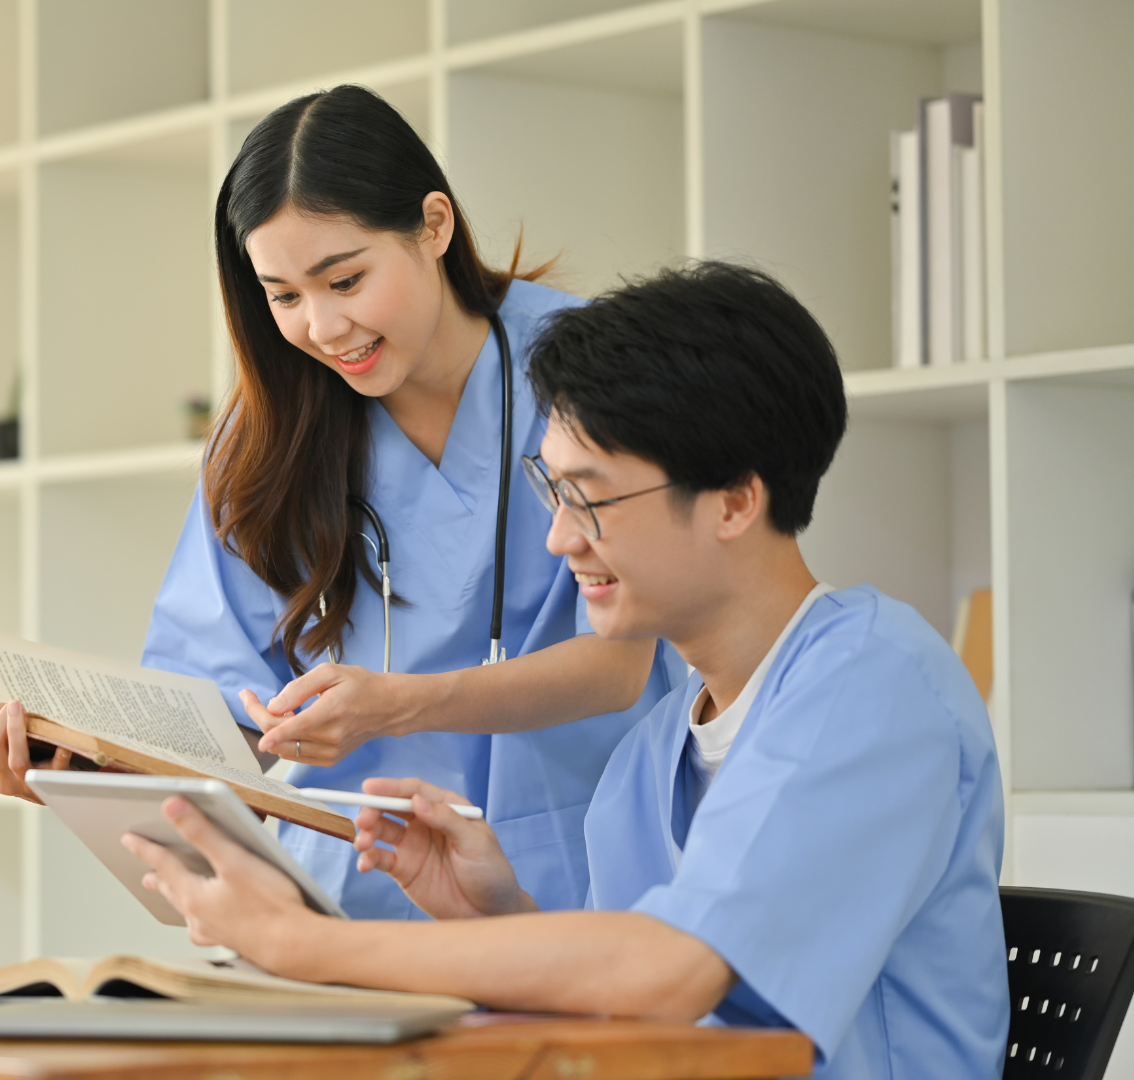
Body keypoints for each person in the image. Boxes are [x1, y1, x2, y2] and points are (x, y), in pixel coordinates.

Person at [119, 263, 1009, 1079]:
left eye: (591, 497)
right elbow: (635, 1006)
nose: (559, 538)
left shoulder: (868, 685)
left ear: (736, 500)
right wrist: (495, 916)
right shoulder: (659, 746)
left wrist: (298, 944)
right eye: (552, 492)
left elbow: (669, 973)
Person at [0, 84, 685, 918]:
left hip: (575, 885)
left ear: (434, 226)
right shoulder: (267, 437)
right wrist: (79, 770)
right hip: (351, 904)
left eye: (345, 279)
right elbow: (222, 722)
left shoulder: (592, 370)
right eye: (285, 296)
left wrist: (402, 705)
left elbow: (619, 667)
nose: (324, 328)